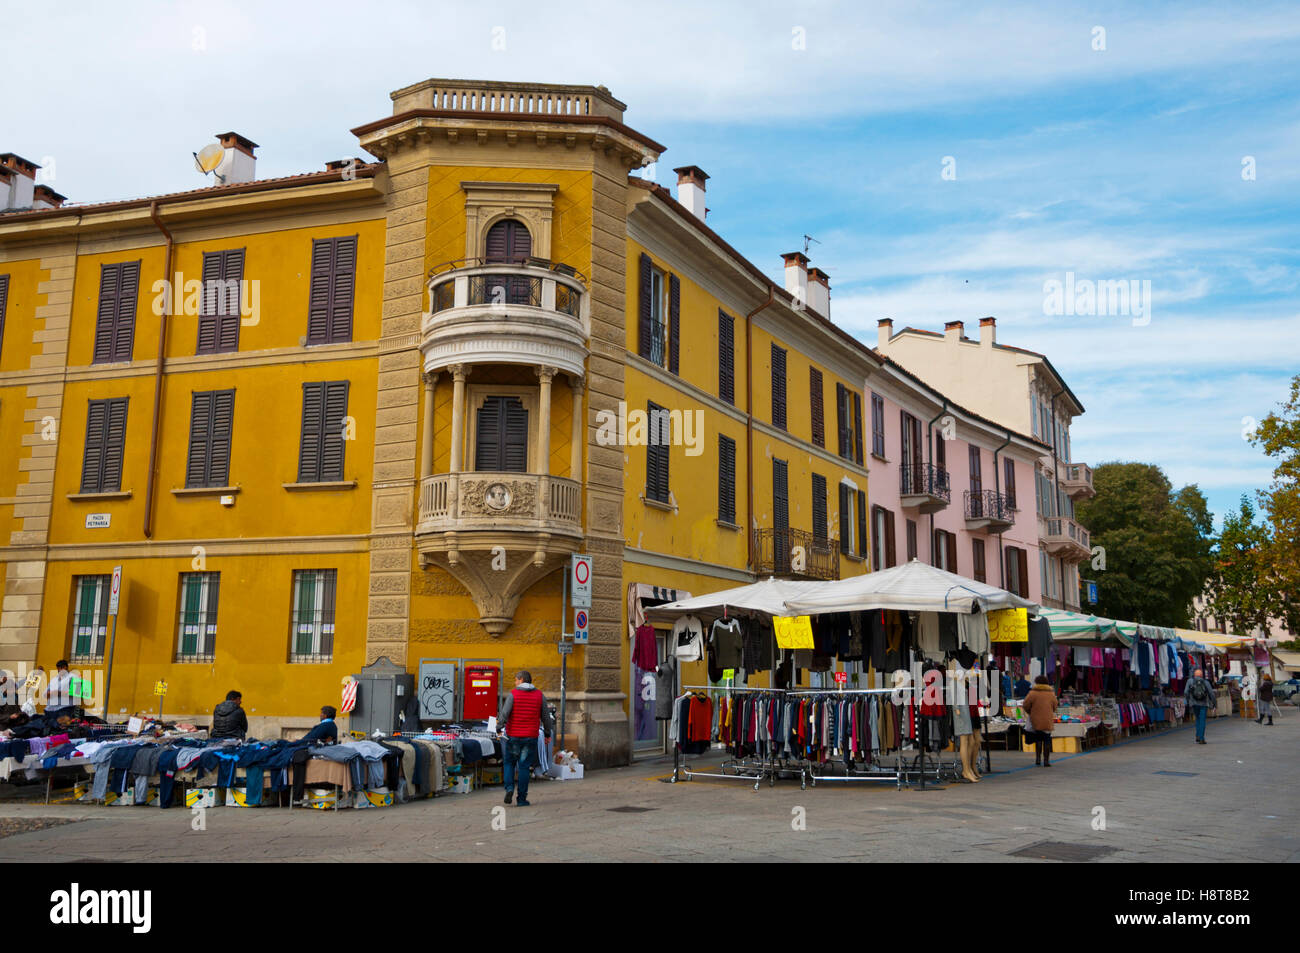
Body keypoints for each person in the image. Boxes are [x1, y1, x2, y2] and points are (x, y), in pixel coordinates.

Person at [496, 671, 554, 807]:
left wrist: (498, 728)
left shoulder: (513, 694)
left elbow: (504, 714)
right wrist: (547, 734)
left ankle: (509, 788)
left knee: (509, 763)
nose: (515, 682)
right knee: (524, 767)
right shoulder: (539, 695)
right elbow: (546, 717)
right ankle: (522, 799)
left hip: (513, 736)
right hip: (530, 737)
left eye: (516, 680)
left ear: (521, 679)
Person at [1022, 675, 1058, 767]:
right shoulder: (1051, 693)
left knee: (1038, 739)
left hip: (1036, 719)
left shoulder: (1033, 693)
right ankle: (1046, 761)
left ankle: (1038, 759)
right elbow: (1055, 706)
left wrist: (1031, 711)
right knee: (1046, 739)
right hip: (1047, 719)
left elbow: (1025, 704)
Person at [1184, 668, 1214, 744]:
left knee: (1197, 719)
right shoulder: (1206, 682)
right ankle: (1201, 738)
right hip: (1203, 704)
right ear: (1201, 675)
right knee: (1202, 720)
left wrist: (1188, 700)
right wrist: (1214, 703)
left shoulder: (1190, 681)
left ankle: (1198, 735)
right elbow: (1211, 693)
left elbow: (1185, 692)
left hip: (1194, 704)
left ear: (1194, 675)